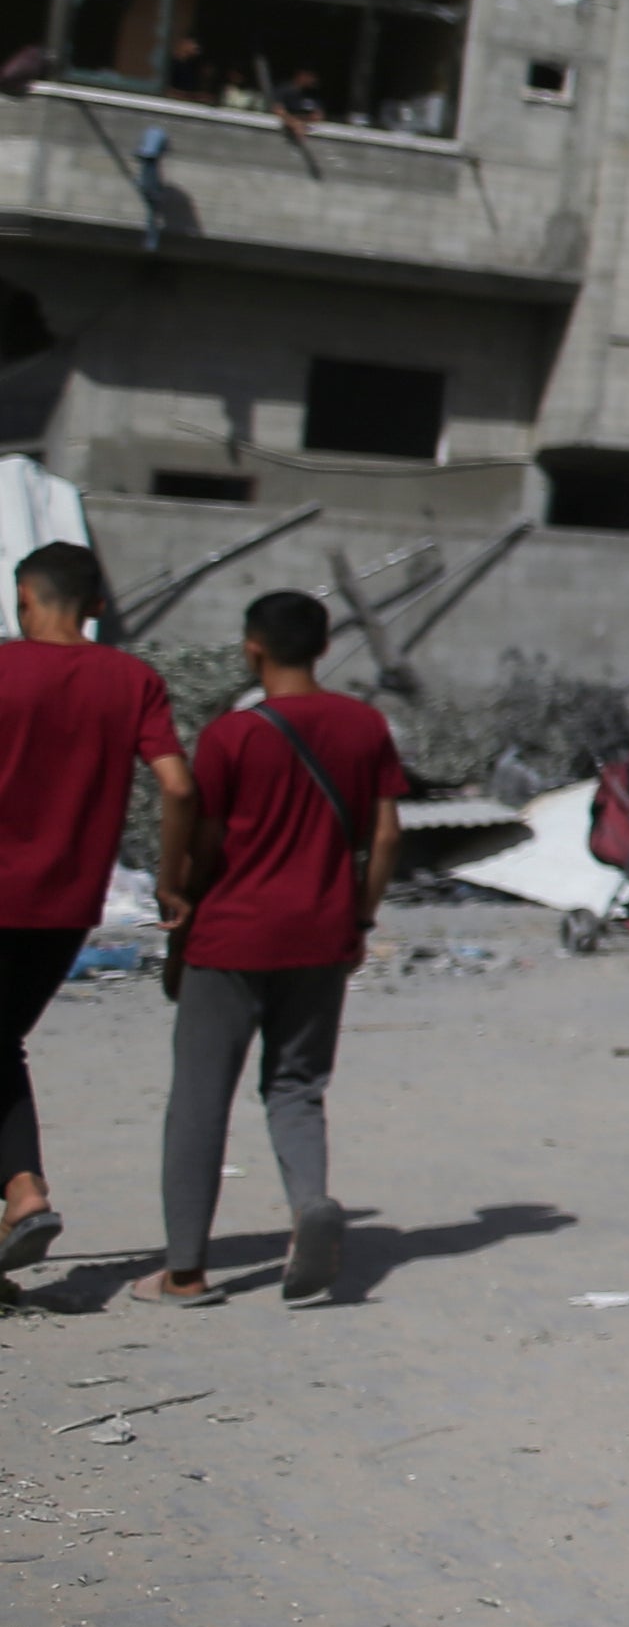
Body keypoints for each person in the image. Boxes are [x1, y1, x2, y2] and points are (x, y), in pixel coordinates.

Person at [152, 588, 402, 1308]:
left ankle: (186, 1272)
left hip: (232, 935)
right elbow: (385, 836)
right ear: (324, 648)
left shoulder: (235, 734)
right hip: (323, 936)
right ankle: (309, 1206)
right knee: (296, 1088)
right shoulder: (364, 726)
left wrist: (177, 898)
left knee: (200, 1097)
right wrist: (359, 917)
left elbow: (204, 837)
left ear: (250, 647)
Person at [0, 541, 193, 1281]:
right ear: (99, 607)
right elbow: (177, 785)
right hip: (65, 903)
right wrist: (173, 881)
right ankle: (22, 1196)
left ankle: (24, 1191)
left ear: (25, 599)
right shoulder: (131, 680)